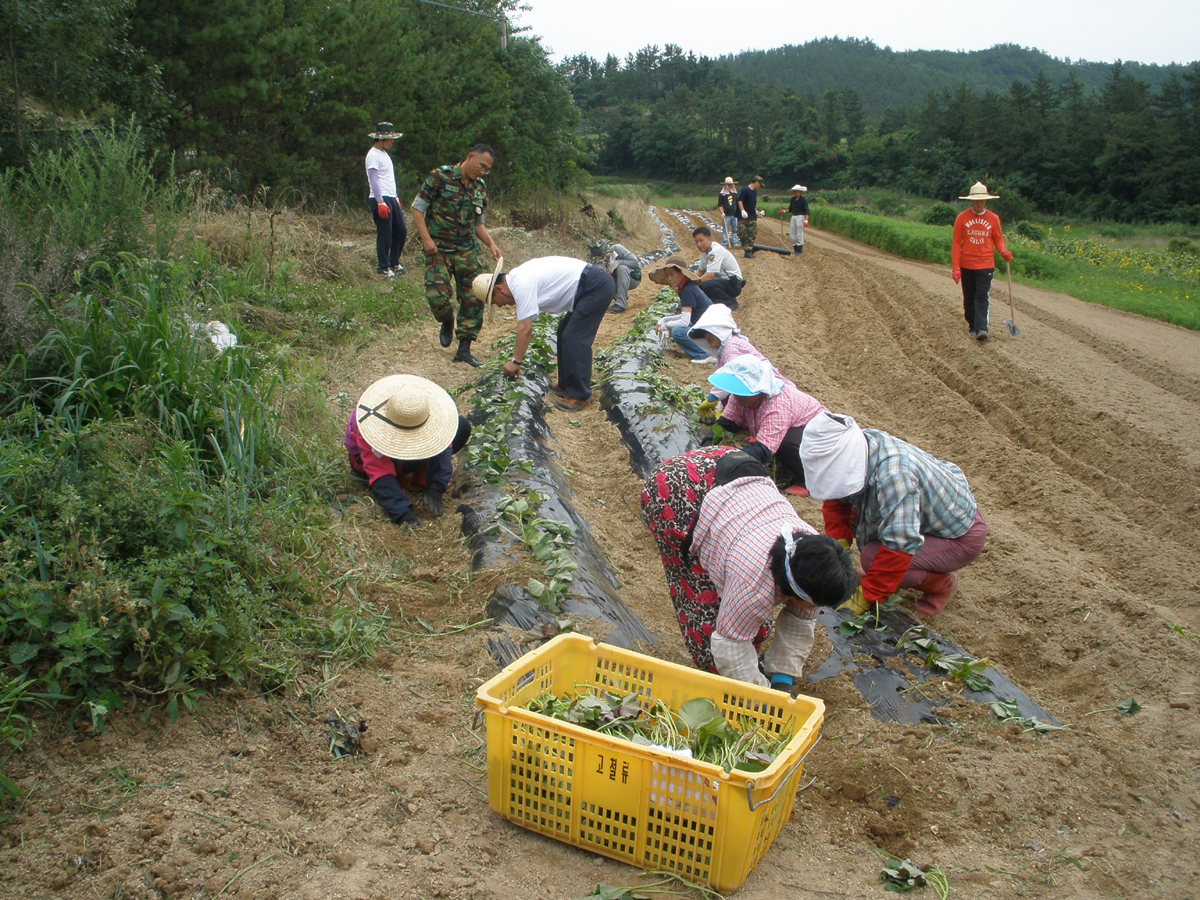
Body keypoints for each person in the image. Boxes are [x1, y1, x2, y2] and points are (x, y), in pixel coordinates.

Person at [641, 446, 857, 688]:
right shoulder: (753, 586)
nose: (817, 609)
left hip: (726, 468)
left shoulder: (813, 558)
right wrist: (762, 699)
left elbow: (800, 622)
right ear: (794, 590)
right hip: (676, 489)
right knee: (708, 627)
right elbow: (730, 643)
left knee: (752, 619)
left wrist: (782, 682)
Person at [800, 411, 987, 617]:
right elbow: (836, 499)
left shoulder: (895, 475)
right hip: (918, 515)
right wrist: (838, 548)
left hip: (957, 536)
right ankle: (886, 574)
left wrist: (868, 594)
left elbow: (901, 543)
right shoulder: (862, 445)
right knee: (869, 540)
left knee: (873, 557)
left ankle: (942, 584)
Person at [474, 256, 616, 412]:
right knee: (564, 331)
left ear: (498, 289)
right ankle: (565, 385)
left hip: (595, 286)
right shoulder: (518, 279)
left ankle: (580, 395)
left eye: (495, 302)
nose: (500, 306)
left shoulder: (521, 284)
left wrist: (515, 362)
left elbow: (525, 329)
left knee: (574, 338)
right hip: (587, 286)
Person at [411, 144, 503, 366]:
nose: (482, 172)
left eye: (487, 169)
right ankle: (447, 319)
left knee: (474, 298)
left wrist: (491, 243)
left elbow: (478, 223)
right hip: (439, 250)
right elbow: (417, 208)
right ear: (470, 157)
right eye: (481, 166)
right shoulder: (439, 176)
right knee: (437, 297)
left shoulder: (479, 188)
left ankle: (464, 349)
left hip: (466, 251)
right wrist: (426, 239)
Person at [345, 374, 471, 530]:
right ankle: (407, 478)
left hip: (400, 455)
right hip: (362, 460)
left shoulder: (420, 412)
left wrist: (438, 486)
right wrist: (403, 512)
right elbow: (378, 472)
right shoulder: (370, 428)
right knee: (410, 462)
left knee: (462, 426)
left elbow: (443, 445)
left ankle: (417, 474)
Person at [701, 354, 827, 488]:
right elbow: (726, 424)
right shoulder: (739, 397)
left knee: (786, 443)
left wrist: (729, 464)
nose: (737, 396)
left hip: (818, 433)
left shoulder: (777, 405)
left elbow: (764, 449)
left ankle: (806, 481)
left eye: (743, 392)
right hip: (792, 424)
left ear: (759, 389)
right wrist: (705, 448)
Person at [951, 181, 1012, 341]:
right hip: (967, 265)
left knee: (981, 296)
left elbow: (997, 239)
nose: (979, 203)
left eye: (982, 200)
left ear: (986, 201)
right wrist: (956, 267)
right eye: (976, 200)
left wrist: (1003, 252)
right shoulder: (961, 218)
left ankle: (981, 328)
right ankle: (972, 325)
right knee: (969, 297)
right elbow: (957, 243)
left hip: (985, 265)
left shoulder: (993, 219)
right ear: (971, 200)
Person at [648, 256, 713, 364]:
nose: (669, 278)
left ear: (682, 273)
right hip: (707, 328)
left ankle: (704, 354)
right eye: (667, 275)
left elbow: (685, 321)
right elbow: (685, 316)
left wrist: (666, 325)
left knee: (677, 332)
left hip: (710, 331)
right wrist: (664, 320)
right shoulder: (687, 287)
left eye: (672, 274)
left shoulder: (688, 290)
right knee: (676, 328)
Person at [365, 123, 407, 278]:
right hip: (380, 198)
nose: (392, 142)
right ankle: (383, 267)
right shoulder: (373, 154)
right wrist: (380, 201)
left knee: (401, 230)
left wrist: (395, 198)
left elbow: (389, 179)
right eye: (389, 138)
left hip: (391, 197)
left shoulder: (385, 154)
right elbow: (374, 179)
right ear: (381, 139)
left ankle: (394, 261)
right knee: (385, 233)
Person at [691, 226, 744, 309]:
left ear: (709, 239)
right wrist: (688, 280)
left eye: (701, 240)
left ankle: (730, 302)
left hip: (733, 283)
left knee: (706, 285)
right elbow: (700, 271)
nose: (698, 244)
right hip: (723, 282)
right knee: (701, 285)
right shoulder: (704, 252)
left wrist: (693, 283)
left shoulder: (715, 251)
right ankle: (713, 304)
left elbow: (709, 276)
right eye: (696, 242)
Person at [605, 243, 642, 313]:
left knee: (621, 268)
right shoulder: (595, 259)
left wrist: (619, 262)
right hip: (615, 279)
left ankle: (620, 304)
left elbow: (635, 263)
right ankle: (620, 295)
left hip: (632, 278)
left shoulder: (617, 249)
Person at [737, 176, 763, 258]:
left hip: (752, 217)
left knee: (752, 234)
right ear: (756, 183)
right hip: (743, 217)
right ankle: (746, 248)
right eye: (760, 185)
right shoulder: (745, 190)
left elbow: (752, 204)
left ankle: (748, 251)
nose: (760, 187)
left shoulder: (754, 192)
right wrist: (742, 210)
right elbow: (740, 201)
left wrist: (756, 212)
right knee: (742, 233)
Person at [716, 177, 740, 248]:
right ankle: (724, 243)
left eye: (731, 184)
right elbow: (720, 205)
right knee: (725, 230)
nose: (730, 186)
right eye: (729, 184)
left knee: (735, 229)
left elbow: (737, 202)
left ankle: (734, 242)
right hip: (726, 215)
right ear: (726, 185)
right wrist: (722, 213)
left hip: (734, 215)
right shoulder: (722, 194)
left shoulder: (735, 193)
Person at [787, 185, 809, 255]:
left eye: (798, 191)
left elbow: (807, 211)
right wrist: (784, 211)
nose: (796, 192)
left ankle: (799, 251)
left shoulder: (803, 200)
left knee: (799, 234)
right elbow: (790, 209)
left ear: (800, 192)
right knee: (792, 235)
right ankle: (795, 249)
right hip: (793, 216)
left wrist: (806, 220)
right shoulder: (792, 199)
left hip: (800, 216)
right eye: (795, 191)